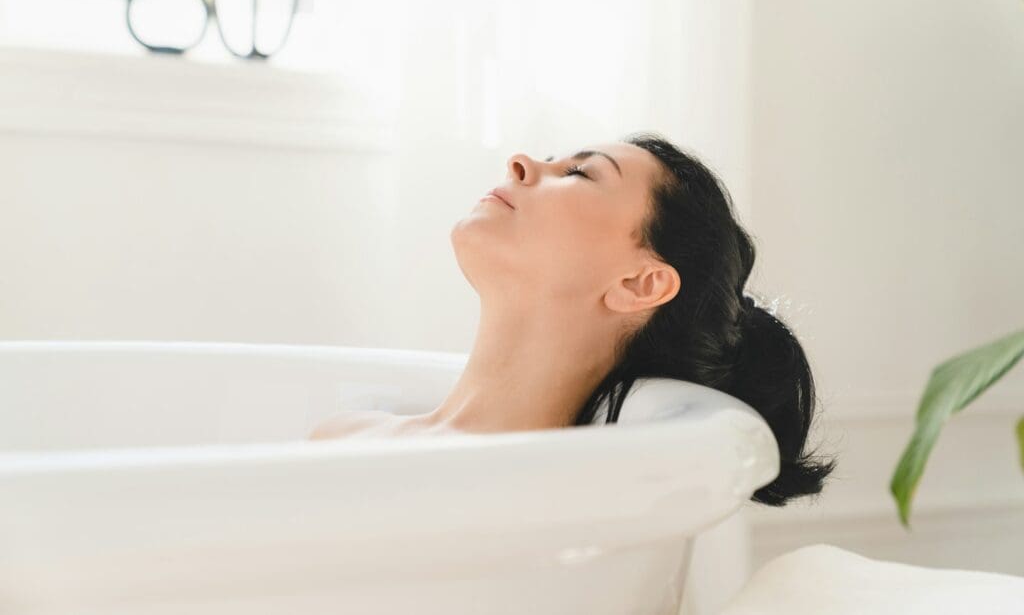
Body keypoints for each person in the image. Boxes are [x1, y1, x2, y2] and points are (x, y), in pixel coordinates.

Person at [310, 131, 835, 506]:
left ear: (639, 283)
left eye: (578, 173)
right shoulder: (343, 437)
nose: (519, 163)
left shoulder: (569, 507)